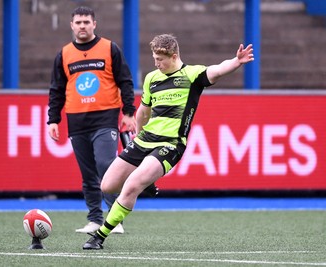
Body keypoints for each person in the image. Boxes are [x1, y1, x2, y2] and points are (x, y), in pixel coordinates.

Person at [83, 34, 254, 249]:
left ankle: (99, 236)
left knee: (132, 185)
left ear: (174, 57)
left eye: (160, 59)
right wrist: (138, 134)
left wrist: (236, 61)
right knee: (107, 186)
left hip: (171, 144)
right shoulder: (152, 78)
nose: (156, 63)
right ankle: (148, 181)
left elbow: (217, 70)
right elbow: (144, 111)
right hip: (144, 140)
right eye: (154, 58)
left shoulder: (191, 75)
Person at [47, 6, 137, 234]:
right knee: (87, 173)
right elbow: (56, 89)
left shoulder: (109, 48)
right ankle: (95, 219)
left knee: (106, 167)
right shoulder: (64, 54)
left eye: (86, 22)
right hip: (77, 121)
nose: (82, 26)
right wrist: (53, 119)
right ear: (72, 25)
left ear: (94, 24)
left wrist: (128, 112)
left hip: (105, 119)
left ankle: (115, 219)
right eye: (78, 22)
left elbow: (125, 81)